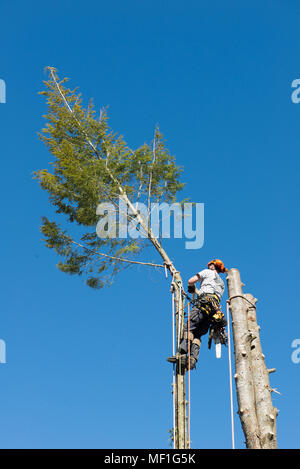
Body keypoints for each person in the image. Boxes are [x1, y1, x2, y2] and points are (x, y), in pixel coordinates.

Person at [168, 259, 228, 371]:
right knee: (197, 334)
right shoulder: (222, 283)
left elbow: (191, 281)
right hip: (212, 312)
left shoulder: (207, 272)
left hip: (203, 304)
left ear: (212, 266)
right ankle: (193, 360)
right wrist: (196, 291)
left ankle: (182, 356)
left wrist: (191, 288)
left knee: (188, 328)